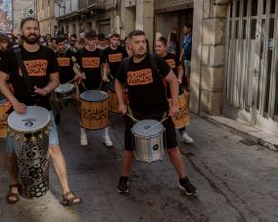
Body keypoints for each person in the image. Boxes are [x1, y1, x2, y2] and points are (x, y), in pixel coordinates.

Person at [0, 17, 81, 206]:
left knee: (55, 148)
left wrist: (46, 90)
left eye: (35, 28)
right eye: (28, 28)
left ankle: (66, 190)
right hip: (18, 111)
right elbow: (0, 81)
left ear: (39, 30)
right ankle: (13, 184)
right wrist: (14, 102)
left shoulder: (48, 53)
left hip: (44, 109)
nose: (32, 31)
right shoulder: (12, 54)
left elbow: (55, 80)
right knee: (11, 151)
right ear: (21, 31)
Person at [114, 30, 197, 195]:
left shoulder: (156, 61)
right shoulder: (125, 64)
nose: (141, 45)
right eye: (137, 42)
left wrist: (174, 104)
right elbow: (118, 82)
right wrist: (121, 103)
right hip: (135, 114)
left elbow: (173, 80)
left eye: (144, 41)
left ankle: (183, 180)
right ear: (129, 46)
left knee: (173, 148)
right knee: (129, 149)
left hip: (160, 113)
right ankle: (124, 178)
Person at [73, 30, 113, 147]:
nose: (91, 42)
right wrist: (79, 75)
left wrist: (105, 75)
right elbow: (74, 67)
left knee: (104, 108)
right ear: (85, 40)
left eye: (93, 40)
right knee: (83, 109)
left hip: (99, 84)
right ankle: (83, 134)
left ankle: (106, 135)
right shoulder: (80, 52)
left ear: (96, 40)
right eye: (88, 40)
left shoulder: (101, 52)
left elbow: (105, 65)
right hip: (84, 85)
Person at [155, 36, 194, 144]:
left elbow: (180, 67)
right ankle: (162, 136)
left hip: (175, 90)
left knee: (179, 112)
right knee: (163, 115)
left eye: (159, 46)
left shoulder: (172, 57)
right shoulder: (153, 59)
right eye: (156, 46)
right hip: (161, 92)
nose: (157, 48)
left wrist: (180, 78)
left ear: (165, 47)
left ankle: (183, 134)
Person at [53, 36, 77, 124]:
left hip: (71, 81)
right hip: (58, 82)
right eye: (60, 45)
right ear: (56, 45)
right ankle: (58, 115)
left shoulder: (72, 54)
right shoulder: (54, 55)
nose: (62, 46)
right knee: (57, 102)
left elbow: (76, 65)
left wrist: (77, 74)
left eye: (64, 44)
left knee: (77, 99)